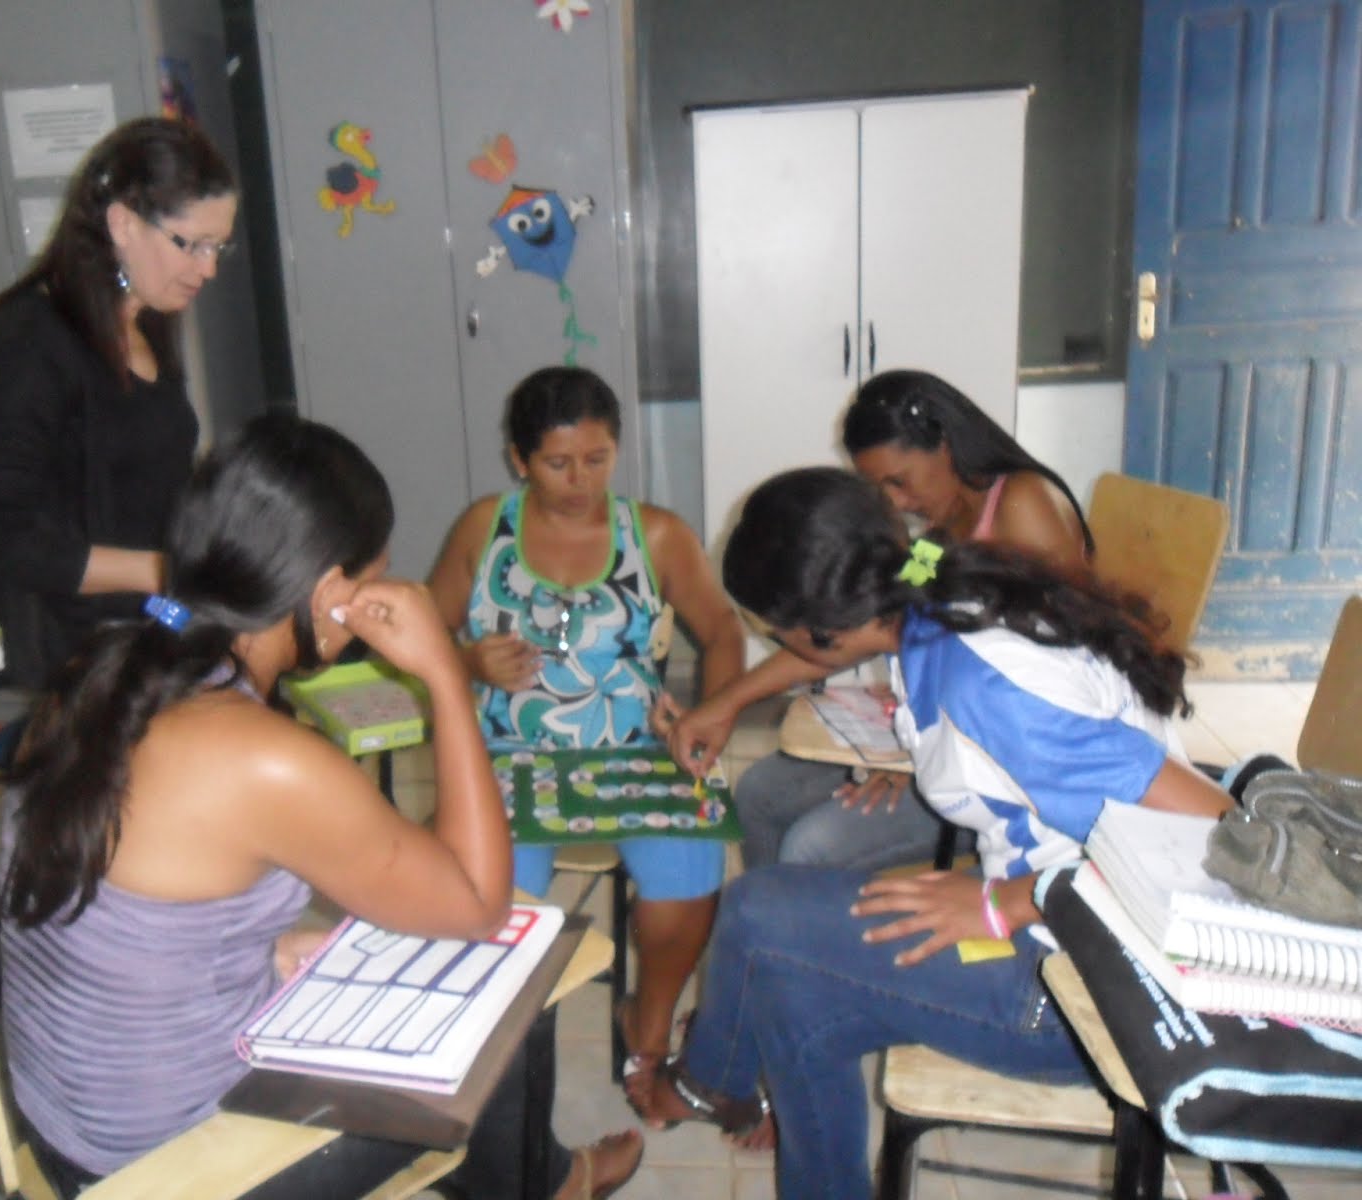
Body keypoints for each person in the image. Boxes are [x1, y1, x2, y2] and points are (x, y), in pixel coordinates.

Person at [0, 412, 642, 1200]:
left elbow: (116, 910)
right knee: (509, 1007)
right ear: (333, 594)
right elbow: (478, 904)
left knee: (409, 966)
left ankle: (537, 1179)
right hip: (175, 1168)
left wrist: (257, 953)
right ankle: (556, 1186)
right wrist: (446, 677)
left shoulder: (96, 673)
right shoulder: (264, 758)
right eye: (376, 575)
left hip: (72, 1129)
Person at [628, 467, 1233, 1199]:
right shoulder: (935, 588)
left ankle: (709, 1084)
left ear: (822, 627)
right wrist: (728, 703)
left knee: (757, 911)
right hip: (1065, 929)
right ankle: (732, 1095)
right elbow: (841, 649)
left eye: (778, 633)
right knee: (795, 996)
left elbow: (1217, 831)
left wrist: (1004, 901)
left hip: (1092, 997)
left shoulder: (987, 682)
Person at [427, 366, 746, 1081]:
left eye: (597, 459)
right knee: (495, 906)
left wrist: (710, 716)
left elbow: (722, 630)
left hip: (635, 748)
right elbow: (428, 630)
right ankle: (500, 1059)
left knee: (687, 881)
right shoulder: (485, 528)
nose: (580, 480)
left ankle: (648, 1028)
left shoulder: (656, 534)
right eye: (558, 463)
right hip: (509, 753)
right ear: (519, 459)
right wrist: (470, 661)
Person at [670, 369, 1093, 873]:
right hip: (935, 738)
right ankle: (773, 915)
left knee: (813, 845)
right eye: (877, 489)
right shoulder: (937, 536)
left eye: (898, 481)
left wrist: (924, 761)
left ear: (945, 445)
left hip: (1009, 773)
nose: (894, 503)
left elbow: (1058, 688)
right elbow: (862, 627)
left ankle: (807, 920)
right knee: (761, 792)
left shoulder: (1023, 506)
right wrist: (723, 704)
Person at [0, 116, 237, 699]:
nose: (208, 268)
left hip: (152, 615)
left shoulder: (146, 317)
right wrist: (158, 572)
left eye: (218, 246)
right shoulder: (30, 343)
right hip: (83, 647)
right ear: (123, 224)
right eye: (192, 244)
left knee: (252, 661)